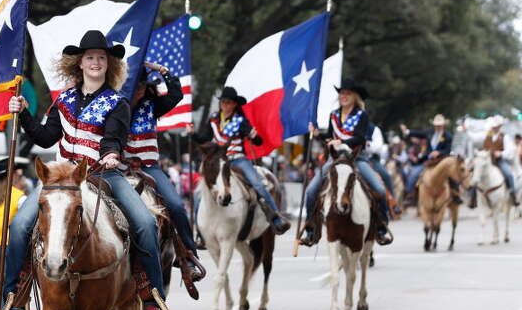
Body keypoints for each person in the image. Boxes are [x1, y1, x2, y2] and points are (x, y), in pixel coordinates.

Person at [4, 30, 170, 310]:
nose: (96, 62)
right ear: (79, 63)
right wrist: (24, 114)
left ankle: (150, 294)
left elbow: (114, 138)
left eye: (101, 58)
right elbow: (45, 138)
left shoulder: (117, 102)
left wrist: (111, 154)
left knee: (144, 222)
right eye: (90, 57)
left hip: (102, 174)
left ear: (109, 64)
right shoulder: (63, 101)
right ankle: (15, 297)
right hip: (61, 178)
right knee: (18, 226)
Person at [123, 63, 205, 294]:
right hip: (120, 169)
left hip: (150, 168)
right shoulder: (115, 106)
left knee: (177, 206)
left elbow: (177, 94)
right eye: (134, 87)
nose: (138, 91)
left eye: (141, 86)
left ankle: (189, 256)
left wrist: (164, 72)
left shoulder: (153, 105)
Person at [299, 79, 393, 246]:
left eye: (348, 93)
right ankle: (310, 228)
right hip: (334, 159)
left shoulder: (361, 115)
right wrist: (318, 134)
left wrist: (341, 143)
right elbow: (329, 136)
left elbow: (360, 138)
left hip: (357, 158)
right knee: (311, 191)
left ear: (355, 97)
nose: (344, 96)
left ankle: (381, 227)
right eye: (342, 93)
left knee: (378, 188)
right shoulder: (333, 115)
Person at [192, 86, 291, 234]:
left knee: (257, 183)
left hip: (237, 159)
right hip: (218, 161)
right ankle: (199, 230)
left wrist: (253, 136)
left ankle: (276, 216)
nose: (225, 105)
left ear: (234, 104)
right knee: (199, 189)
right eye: (223, 102)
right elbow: (205, 138)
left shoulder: (241, 121)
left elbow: (257, 142)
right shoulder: (213, 119)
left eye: (229, 102)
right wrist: (192, 134)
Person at [400, 114, 452, 198]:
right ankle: (410, 194)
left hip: (441, 161)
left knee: (453, 178)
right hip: (428, 161)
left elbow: (448, 150)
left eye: (440, 125)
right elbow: (418, 133)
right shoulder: (430, 132)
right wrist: (407, 131)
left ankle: (456, 196)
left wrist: (438, 152)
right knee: (414, 175)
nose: (438, 127)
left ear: (443, 125)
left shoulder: (448, 136)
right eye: (436, 125)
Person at [480, 116, 518, 206]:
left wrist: (501, 153)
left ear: (500, 126)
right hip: (487, 160)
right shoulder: (487, 135)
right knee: (475, 174)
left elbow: (511, 150)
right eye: (494, 126)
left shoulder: (505, 137)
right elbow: (477, 140)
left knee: (508, 174)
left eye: (497, 126)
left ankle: (513, 194)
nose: (495, 128)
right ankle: (473, 197)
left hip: (499, 161)